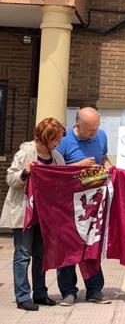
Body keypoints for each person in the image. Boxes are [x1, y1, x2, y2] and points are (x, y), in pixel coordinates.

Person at [0, 117, 66, 311]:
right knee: (22, 254)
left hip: (44, 215)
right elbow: (10, 179)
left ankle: (40, 293)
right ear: (47, 137)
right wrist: (25, 173)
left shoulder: (57, 158)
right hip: (24, 213)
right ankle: (22, 296)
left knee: (41, 254)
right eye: (56, 138)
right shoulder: (25, 153)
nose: (59, 143)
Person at [54, 106, 112, 306]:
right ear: (77, 124)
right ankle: (68, 291)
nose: (94, 133)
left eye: (97, 128)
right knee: (68, 248)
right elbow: (52, 171)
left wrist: (108, 166)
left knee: (92, 246)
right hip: (68, 205)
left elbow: (103, 157)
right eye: (90, 130)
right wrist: (77, 166)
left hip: (93, 202)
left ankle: (95, 290)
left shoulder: (101, 135)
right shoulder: (63, 141)